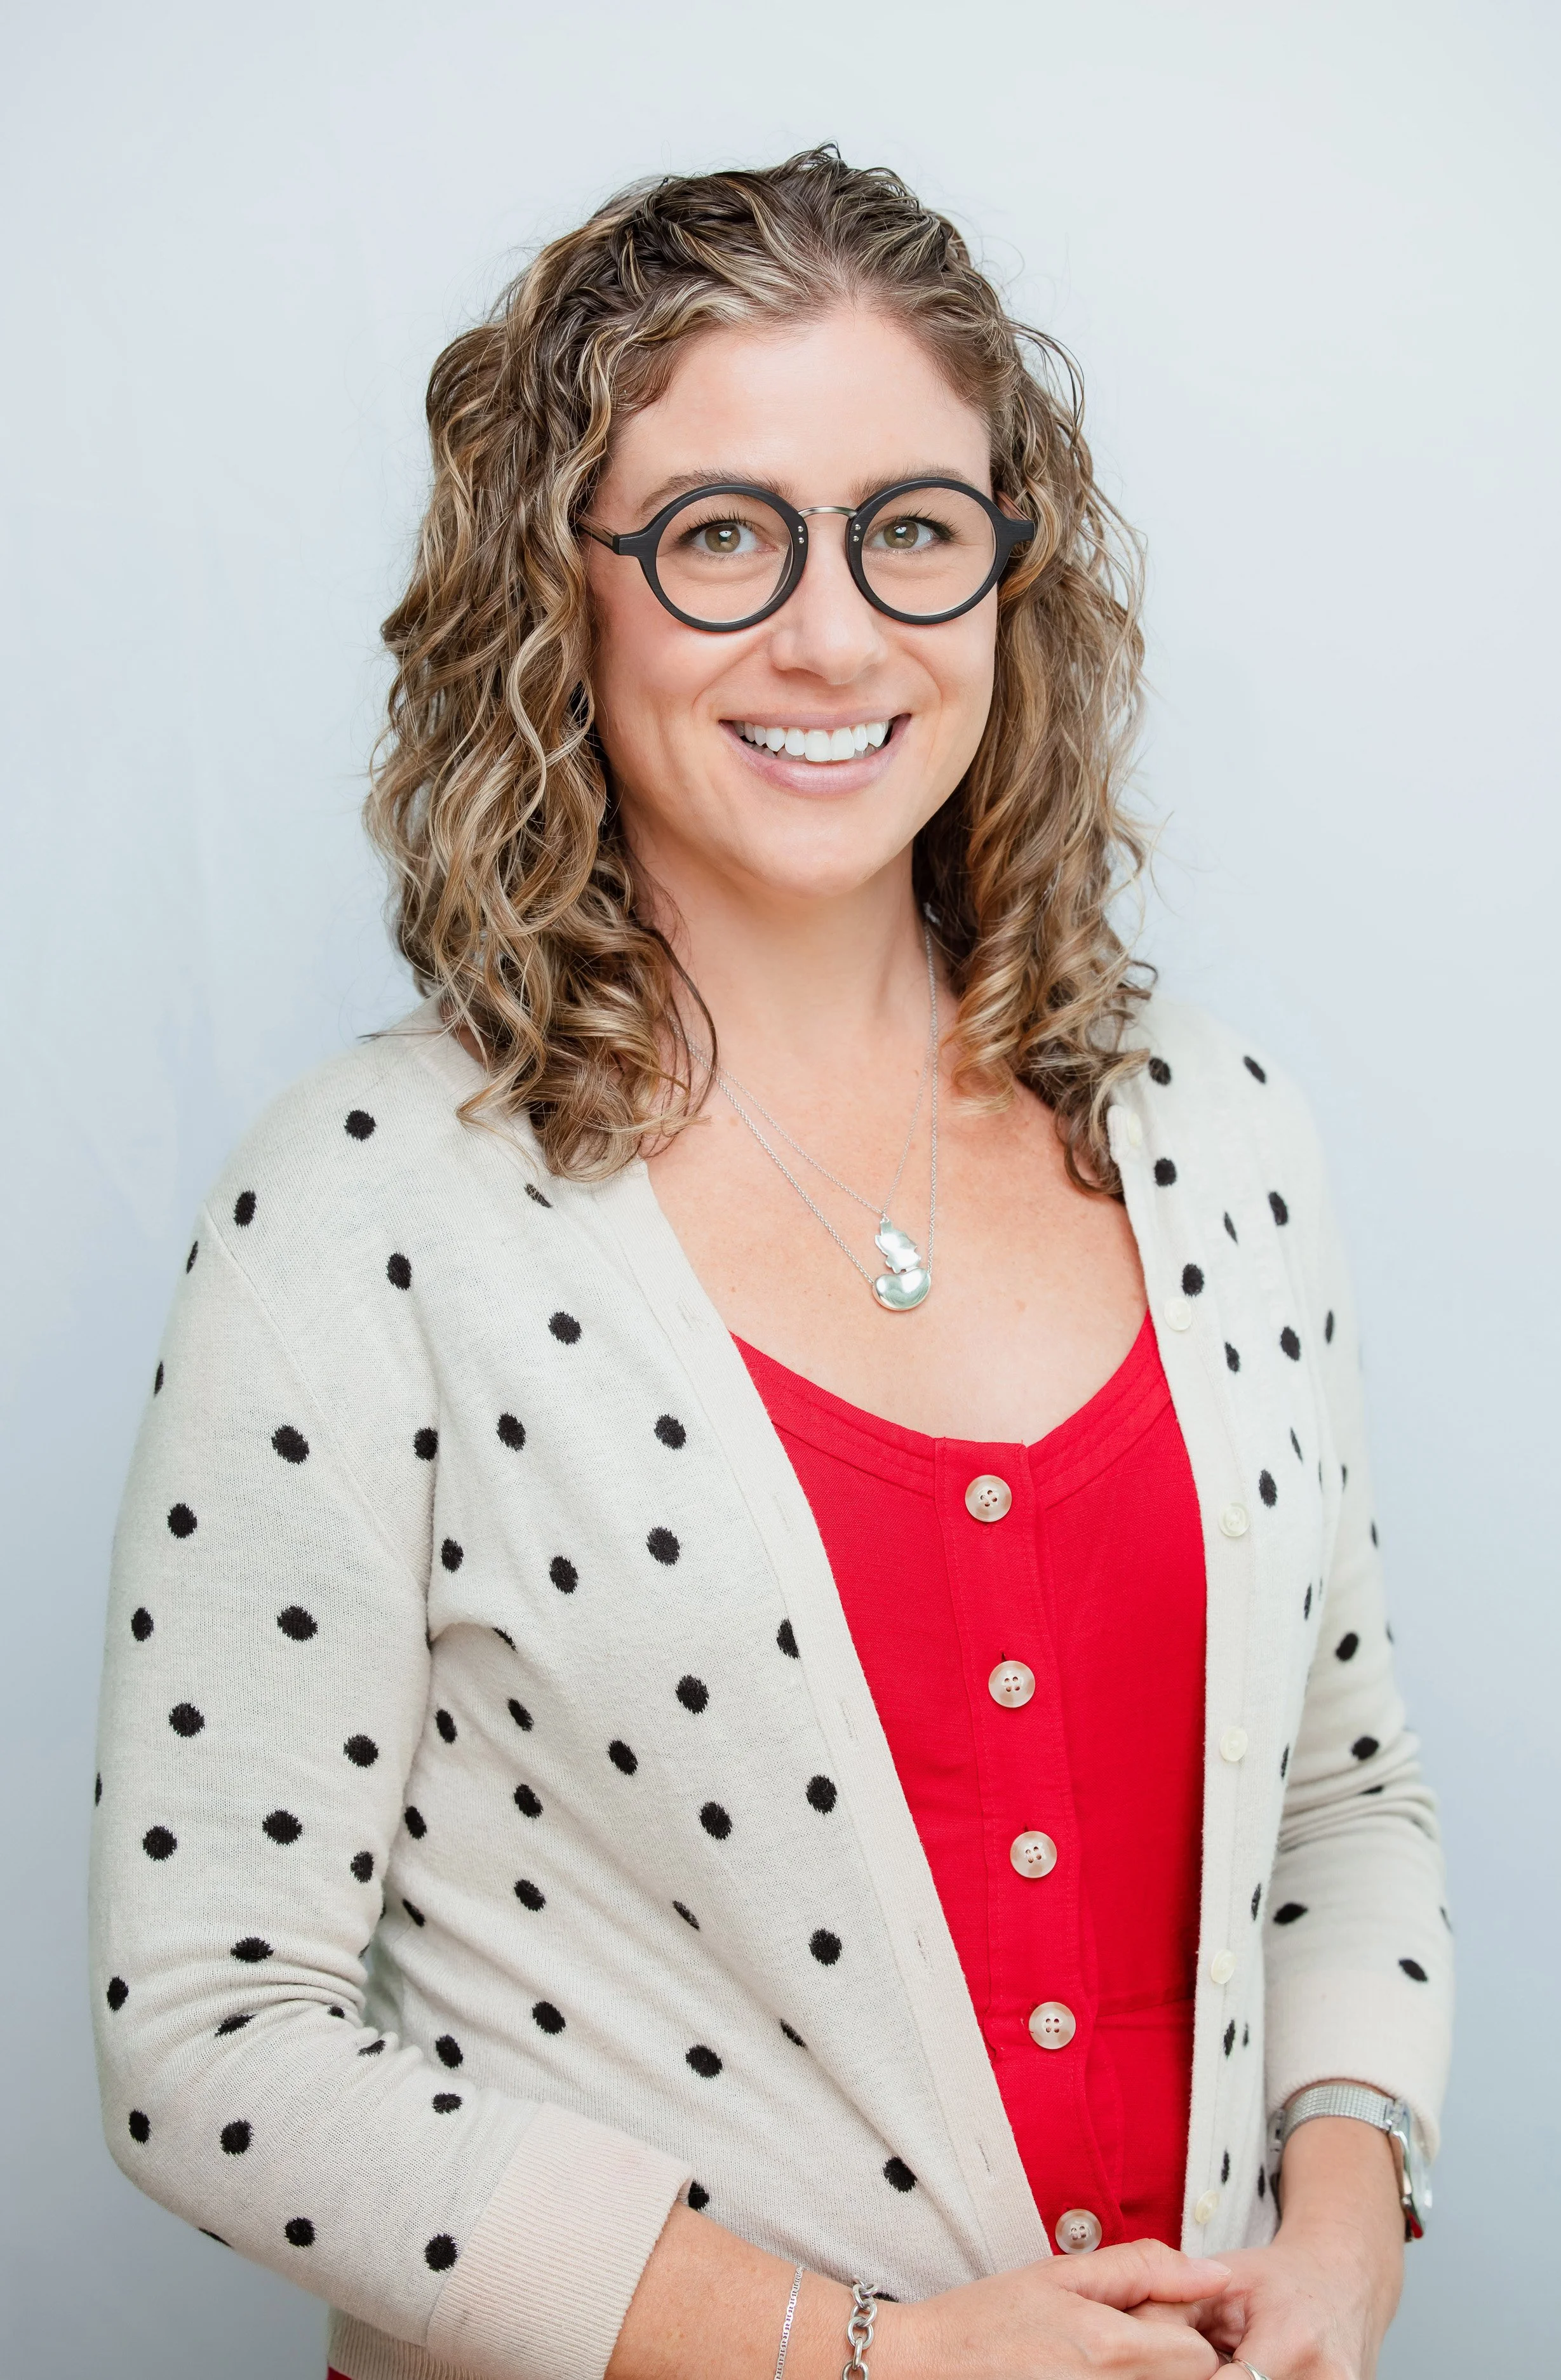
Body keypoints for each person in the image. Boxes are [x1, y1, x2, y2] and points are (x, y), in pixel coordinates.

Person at [90, 149, 1450, 2380]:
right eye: (721, 535)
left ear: (1010, 580)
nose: (832, 635)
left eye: (910, 527)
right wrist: (862, 2354)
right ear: (566, 589)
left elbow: (1338, 1791)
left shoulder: (1212, 1135)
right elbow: (210, 2034)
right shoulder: (362, 1206)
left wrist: (1340, 2232)